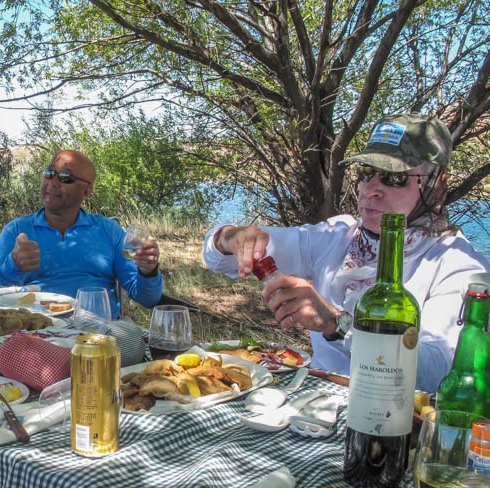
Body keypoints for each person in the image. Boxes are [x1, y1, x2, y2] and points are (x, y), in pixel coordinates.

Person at [203, 114, 490, 393]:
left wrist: (337, 325)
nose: (372, 189)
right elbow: (220, 260)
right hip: (315, 405)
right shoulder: (337, 236)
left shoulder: (458, 265)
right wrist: (229, 238)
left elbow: (437, 372)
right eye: (366, 173)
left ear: (436, 183)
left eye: (394, 178)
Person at [0, 150, 163, 317]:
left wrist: (148, 271)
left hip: (96, 332)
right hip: (34, 329)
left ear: (87, 191)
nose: (53, 182)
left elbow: (148, 299)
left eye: (65, 177)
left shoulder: (108, 231)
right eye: (50, 173)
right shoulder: (17, 231)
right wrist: (14, 265)